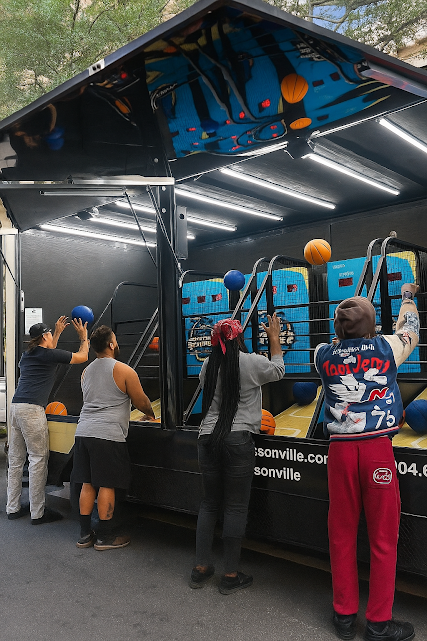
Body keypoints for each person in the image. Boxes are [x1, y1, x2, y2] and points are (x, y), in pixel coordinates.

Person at [314, 284, 419, 641]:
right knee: (383, 538)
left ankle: (344, 616)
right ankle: (378, 623)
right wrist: (407, 297)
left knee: (341, 534)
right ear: (372, 326)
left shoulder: (322, 354)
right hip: (377, 450)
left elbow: (338, 345)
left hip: (340, 452)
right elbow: (411, 328)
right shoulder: (387, 347)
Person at [189, 313, 284, 594]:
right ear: (239, 337)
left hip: (207, 437)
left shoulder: (208, 364)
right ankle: (230, 574)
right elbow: (278, 370)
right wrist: (274, 339)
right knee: (235, 507)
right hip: (238, 439)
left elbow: (205, 385)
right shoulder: (250, 361)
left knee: (209, 504)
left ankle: (201, 568)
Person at [72, 325, 155, 551]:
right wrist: (151, 414)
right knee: (106, 484)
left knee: (87, 483)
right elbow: (141, 401)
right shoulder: (124, 370)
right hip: (107, 435)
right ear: (111, 344)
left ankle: (84, 535)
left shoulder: (85, 372)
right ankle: (105, 537)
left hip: (83, 432)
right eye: (115, 340)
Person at [7, 316, 89, 524]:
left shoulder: (27, 355)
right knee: (37, 459)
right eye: (50, 333)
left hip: (16, 408)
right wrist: (83, 337)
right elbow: (82, 357)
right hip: (32, 410)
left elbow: (49, 351)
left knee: (16, 461)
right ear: (45, 336)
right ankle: (38, 513)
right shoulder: (48, 355)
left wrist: (58, 332)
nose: (52, 336)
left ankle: (12, 508)